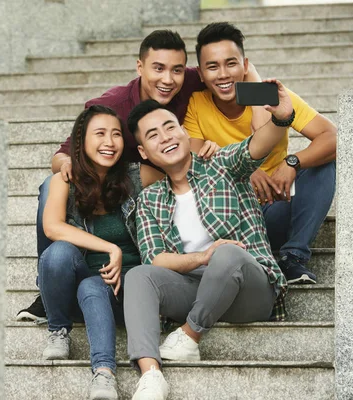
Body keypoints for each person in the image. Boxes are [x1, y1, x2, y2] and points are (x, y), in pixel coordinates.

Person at [17, 29, 227, 321]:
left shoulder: (187, 79)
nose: (168, 79)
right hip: (112, 183)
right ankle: (49, 284)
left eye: (176, 70)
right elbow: (61, 155)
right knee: (49, 187)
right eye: (158, 69)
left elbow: (232, 71)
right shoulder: (112, 106)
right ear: (139, 67)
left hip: (153, 181)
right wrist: (68, 166)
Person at [123, 78, 292, 400]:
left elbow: (257, 145)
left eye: (170, 127)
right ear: (144, 152)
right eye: (153, 135)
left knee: (227, 254)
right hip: (196, 287)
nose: (165, 138)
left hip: (249, 290)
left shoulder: (223, 165)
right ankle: (150, 375)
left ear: (184, 132)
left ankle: (189, 335)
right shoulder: (150, 199)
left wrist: (281, 118)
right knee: (140, 275)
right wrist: (201, 258)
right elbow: (156, 257)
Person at [184, 22, 336, 284]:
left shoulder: (274, 95)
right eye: (213, 66)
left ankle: (293, 257)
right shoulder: (196, 105)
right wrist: (244, 169)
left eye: (231, 63)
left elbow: (331, 136)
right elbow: (194, 163)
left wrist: (293, 163)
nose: (223, 74)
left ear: (245, 64)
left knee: (324, 166)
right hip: (232, 217)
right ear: (200, 72)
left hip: (274, 208)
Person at [39, 105, 163, 400]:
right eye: (100, 134)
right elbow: (52, 227)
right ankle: (59, 330)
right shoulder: (64, 182)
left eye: (116, 134)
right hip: (89, 284)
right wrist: (109, 248)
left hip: (134, 286)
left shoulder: (138, 176)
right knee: (59, 256)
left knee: (92, 285)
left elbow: (181, 168)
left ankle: (104, 373)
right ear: (80, 142)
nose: (109, 142)